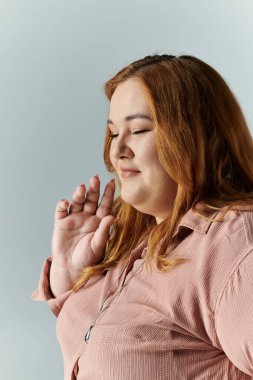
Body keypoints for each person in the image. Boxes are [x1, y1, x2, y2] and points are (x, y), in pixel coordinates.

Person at [31, 54, 253, 380]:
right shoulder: (131, 240)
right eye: (112, 132)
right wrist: (69, 277)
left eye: (137, 130)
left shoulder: (232, 241)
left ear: (194, 136)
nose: (117, 149)